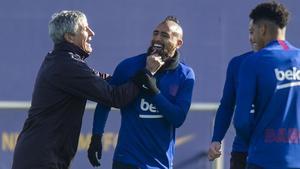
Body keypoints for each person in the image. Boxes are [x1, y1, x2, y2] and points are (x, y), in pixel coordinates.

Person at [12, 10, 163, 169]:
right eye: (85, 29)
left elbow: (96, 78)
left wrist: (119, 79)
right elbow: (115, 98)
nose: (92, 33)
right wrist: (147, 73)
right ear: (69, 37)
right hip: (41, 159)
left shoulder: (61, 60)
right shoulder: (68, 65)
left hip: (42, 155)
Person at [87, 16, 195, 169]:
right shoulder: (129, 66)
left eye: (165, 35)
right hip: (126, 160)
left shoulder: (185, 75)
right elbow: (106, 100)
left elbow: (178, 118)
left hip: (160, 164)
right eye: (155, 33)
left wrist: (153, 91)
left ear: (178, 43)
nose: (157, 38)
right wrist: (96, 136)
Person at [233, 1, 300, 169]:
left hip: (263, 159)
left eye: (252, 31)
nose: (251, 37)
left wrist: (259, 138)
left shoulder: (253, 62)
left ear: (262, 29)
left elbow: (241, 121)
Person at [208, 50, 254, 169]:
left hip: (276, 150)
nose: (252, 37)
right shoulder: (238, 63)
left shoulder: (290, 60)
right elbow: (227, 106)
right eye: (251, 31)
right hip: (242, 150)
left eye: (255, 31)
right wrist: (216, 139)